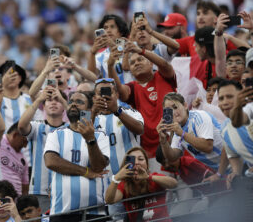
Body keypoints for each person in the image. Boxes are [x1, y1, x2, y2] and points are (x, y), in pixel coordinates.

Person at [108, 39, 176, 165]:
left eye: (140, 59)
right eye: (132, 63)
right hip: (150, 154)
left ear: (151, 64)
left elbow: (165, 65)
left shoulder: (163, 76)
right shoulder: (132, 87)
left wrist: (141, 51)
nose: (136, 63)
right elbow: (120, 92)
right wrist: (110, 66)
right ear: (131, 70)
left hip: (176, 144)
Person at [44, 90, 110, 222]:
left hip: (96, 213)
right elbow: (51, 162)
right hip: (62, 212)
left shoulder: (101, 136)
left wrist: (90, 139)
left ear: (90, 109)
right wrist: (85, 171)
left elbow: (98, 167)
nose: (73, 104)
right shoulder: (55, 134)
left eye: (79, 102)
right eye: (71, 101)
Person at [92, 78, 144, 219]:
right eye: (100, 93)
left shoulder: (128, 110)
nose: (104, 96)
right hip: (110, 184)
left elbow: (140, 129)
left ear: (116, 95)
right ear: (94, 97)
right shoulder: (91, 117)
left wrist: (117, 111)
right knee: (118, 219)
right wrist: (92, 112)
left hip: (133, 179)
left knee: (142, 218)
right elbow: (80, 140)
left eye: (109, 92)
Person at [18, 85, 68, 212]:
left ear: (63, 107)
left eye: (57, 100)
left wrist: (63, 100)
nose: (53, 103)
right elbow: (22, 126)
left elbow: (81, 124)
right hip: (39, 189)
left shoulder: (71, 128)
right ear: (44, 106)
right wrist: (38, 99)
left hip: (66, 189)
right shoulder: (37, 126)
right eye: (49, 100)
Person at [105, 147, 177, 222]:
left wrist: (148, 177)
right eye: (132, 160)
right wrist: (117, 178)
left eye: (141, 159)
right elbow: (109, 200)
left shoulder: (154, 177)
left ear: (146, 163)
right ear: (125, 164)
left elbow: (174, 184)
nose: (136, 163)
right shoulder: (124, 184)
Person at [157, 92, 223, 170]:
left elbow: (208, 146)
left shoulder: (199, 116)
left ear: (185, 105)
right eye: (169, 110)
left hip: (235, 159)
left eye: (175, 107)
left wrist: (182, 133)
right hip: (221, 169)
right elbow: (172, 157)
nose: (174, 112)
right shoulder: (177, 130)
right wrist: (163, 141)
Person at [87, 14, 132, 83]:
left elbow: (126, 66)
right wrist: (92, 53)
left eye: (112, 27)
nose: (108, 30)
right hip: (113, 92)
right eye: (105, 28)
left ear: (121, 31)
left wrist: (113, 45)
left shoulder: (131, 47)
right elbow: (92, 76)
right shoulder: (100, 56)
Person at [0, 60, 32, 131]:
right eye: (7, 74)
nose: (11, 76)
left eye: (14, 74)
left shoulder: (29, 99)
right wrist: (1, 84)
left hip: (25, 140)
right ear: (1, 78)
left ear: (20, 78)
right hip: (2, 141)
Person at [0, 122, 29, 196]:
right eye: (23, 141)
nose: (25, 146)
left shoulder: (24, 160)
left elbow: (25, 186)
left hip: (16, 203)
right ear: (15, 135)